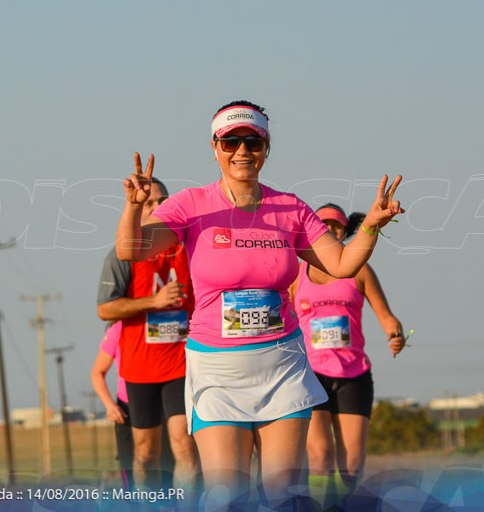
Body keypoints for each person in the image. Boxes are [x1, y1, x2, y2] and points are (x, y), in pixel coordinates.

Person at [115, 100, 404, 506]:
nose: (242, 152)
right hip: (218, 373)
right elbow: (133, 249)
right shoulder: (191, 204)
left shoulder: (292, 209)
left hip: (281, 367)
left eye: (253, 142)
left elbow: (342, 263)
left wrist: (371, 225)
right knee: (226, 496)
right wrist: (132, 206)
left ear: (266, 149)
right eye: (230, 141)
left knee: (281, 497)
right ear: (214, 147)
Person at [291, 203, 407, 502]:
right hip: (309, 375)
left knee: (351, 466)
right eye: (323, 223)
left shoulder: (360, 271)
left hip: (353, 375)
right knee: (320, 456)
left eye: (337, 226)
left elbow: (387, 317)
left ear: (345, 231)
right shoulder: (296, 273)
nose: (330, 229)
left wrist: (395, 335)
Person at [97, 179, 199, 490]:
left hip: (181, 366)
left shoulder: (188, 248)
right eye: (150, 203)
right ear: (139, 211)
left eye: (163, 201)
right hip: (140, 370)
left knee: (185, 448)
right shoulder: (121, 255)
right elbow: (105, 309)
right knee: (145, 453)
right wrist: (153, 302)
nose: (158, 207)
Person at [89, 321, 134, 487]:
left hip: (165, 404)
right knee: (130, 467)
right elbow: (96, 373)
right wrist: (110, 405)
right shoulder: (118, 329)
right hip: (127, 410)